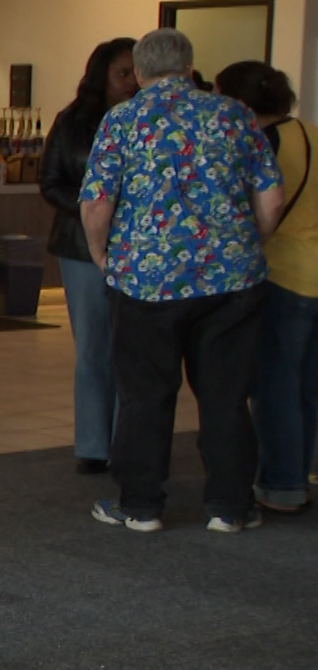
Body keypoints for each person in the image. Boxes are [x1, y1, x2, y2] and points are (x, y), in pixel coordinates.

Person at [82, 29, 282, 533]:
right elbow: (272, 199)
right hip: (232, 282)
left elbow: (97, 203)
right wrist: (241, 245)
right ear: (190, 68)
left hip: (146, 281)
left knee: (145, 394)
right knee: (225, 395)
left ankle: (141, 506)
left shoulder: (123, 119)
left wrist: (102, 254)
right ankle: (230, 508)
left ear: (142, 72)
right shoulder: (234, 115)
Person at [215, 61, 317, 513]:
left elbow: (258, 207)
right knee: (307, 384)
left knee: (275, 383)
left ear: (240, 104)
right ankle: (301, 472)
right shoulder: (312, 133)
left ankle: (282, 484)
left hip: (281, 273)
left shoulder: (260, 143)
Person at [40, 39, 138, 474]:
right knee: (93, 348)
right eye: (123, 73)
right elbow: (51, 182)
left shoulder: (146, 122)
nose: (132, 82)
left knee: (131, 346)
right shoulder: (73, 121)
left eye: (137, 73)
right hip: (82, 247)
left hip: (135, 248)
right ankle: (94, 444)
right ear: (101, 75)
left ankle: (127, 440)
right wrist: (94, 208)